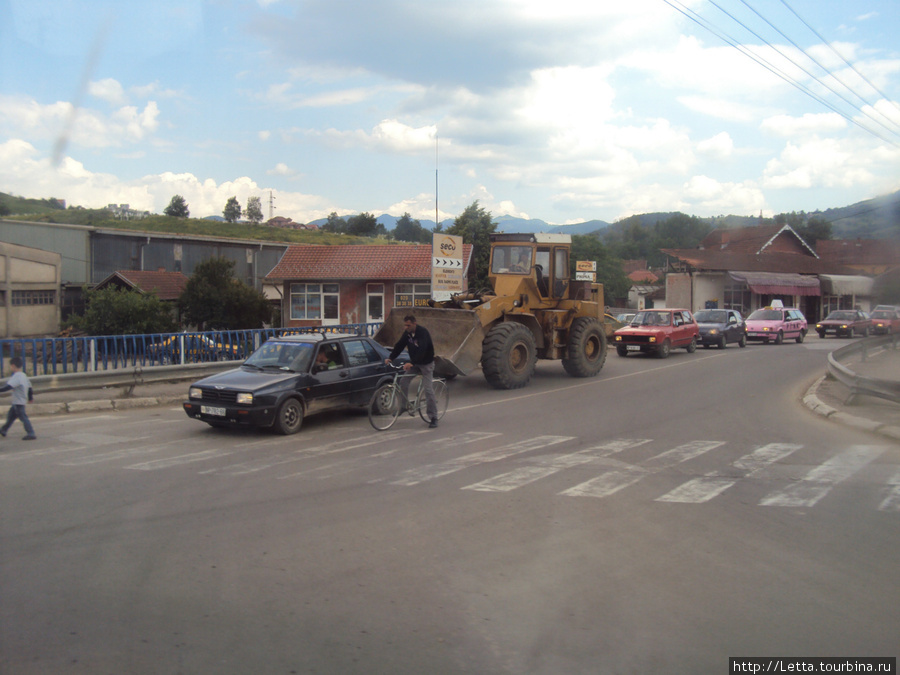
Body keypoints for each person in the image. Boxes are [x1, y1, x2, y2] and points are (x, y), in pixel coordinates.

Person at [386, 314, 438, 428]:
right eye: (405, 325)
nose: (406, 327)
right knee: (403, 381)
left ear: (414, 324)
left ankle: (433, 417)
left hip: (426, 364)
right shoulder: (408, 333)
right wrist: (391, 357)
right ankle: (403, 406)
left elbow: (422, 350)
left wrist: (412, 363)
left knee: (428, 390)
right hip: (415, 363)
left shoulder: (423, 333)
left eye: (408, 325)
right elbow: (399, 345)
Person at [0, 356, 36, 440]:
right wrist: (30, 397)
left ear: (12, 366)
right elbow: (30, 388)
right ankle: (3, 430)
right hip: (20, 401)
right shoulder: (23, 375)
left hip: (18, 402)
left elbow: (8, 387)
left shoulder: (17, 376)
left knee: (23, 417)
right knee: (11, 416)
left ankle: (31, 433)